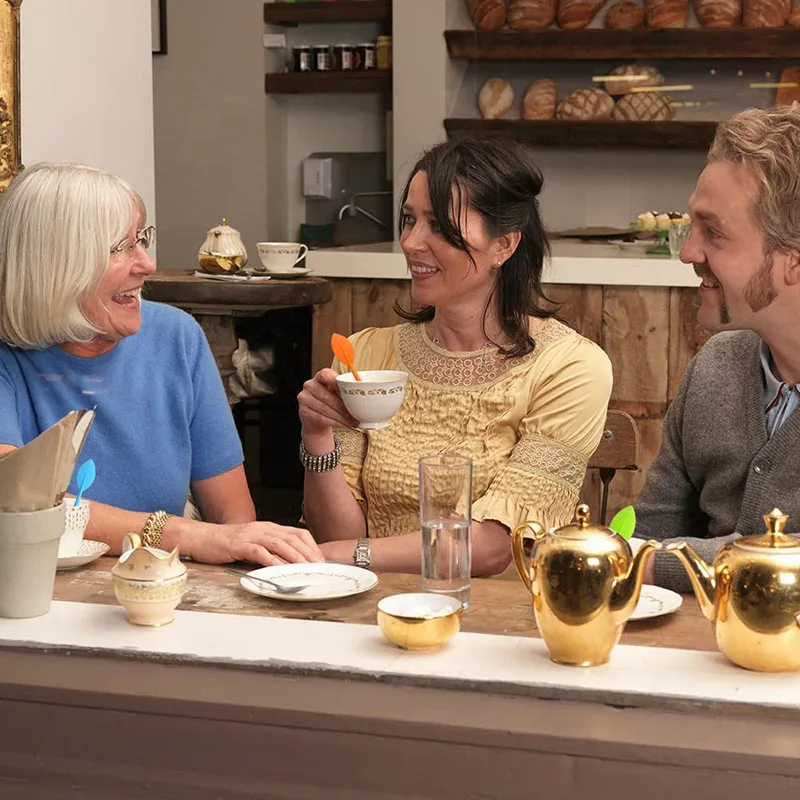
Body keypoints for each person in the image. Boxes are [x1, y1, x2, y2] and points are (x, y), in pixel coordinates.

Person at [297, 137, 613, 575]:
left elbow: (494, 547)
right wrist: (317, 436)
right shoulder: (364, 354)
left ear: (504, 245)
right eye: (409, 219)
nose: (411, 242)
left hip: (498, 611)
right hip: (373, 602)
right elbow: (338, 533)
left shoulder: (570, 367)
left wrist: (339, 557)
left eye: (440, 226)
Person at [0, 162, 322, 566]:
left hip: (159, 591)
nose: (147, 264)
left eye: (141, 240)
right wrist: (181, 533)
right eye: (120, 248)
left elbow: (234, 522)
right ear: (55, 265)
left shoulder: (176, 338)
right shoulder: (7, 356)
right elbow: (15, 501)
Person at [635, 105, 800, 592]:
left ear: (793, 260)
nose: (688, 251)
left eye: (714, 232)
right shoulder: (717, 366)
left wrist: (660, 564)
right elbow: (648, 535)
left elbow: (647, 559)